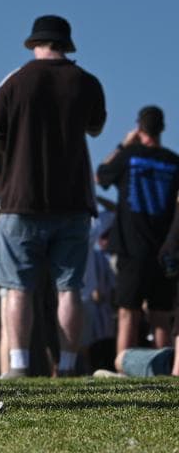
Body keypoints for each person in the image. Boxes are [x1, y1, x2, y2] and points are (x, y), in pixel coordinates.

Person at [0, 15, 106, 378]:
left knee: (17, 286)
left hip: (21, 197)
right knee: (70, 287)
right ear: (66, 46)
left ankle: (18, 365)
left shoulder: (15, 82)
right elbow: (95, 128)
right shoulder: (87, 82)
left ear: (34, 43)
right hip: (73, 199)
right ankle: (68, 365)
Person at [96, 106, 179, 359]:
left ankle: (124, 366)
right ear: (162, 128)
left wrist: (123, 144)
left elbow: (100, 176)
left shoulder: (129, 156)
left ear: (139, 128)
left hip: (131, 248)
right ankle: (166, 370)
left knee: (128, 313)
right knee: (161, 316)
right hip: (165, 248)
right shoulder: (174, 162)